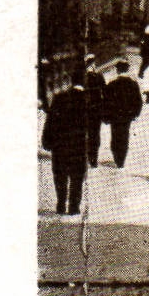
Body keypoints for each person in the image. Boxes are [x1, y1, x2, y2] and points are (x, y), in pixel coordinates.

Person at [41, 69, 91, 214]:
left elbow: (49, 122)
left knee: (60, 175)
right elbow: (92, 127)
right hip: (78, 147)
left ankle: (61, 203)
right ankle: (74, 207)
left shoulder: (59, 98)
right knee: (77, 177)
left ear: (72, 81)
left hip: (60, 145)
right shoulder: (87, 100)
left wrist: (47, 141)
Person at [102, 60, 143, 167]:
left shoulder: (111, 84)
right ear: (127, 69)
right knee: (124, 136)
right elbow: (138, 101)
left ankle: (117, 157)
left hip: (114, 116)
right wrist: (135, 114)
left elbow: (105, 101)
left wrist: (106, 116)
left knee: (115, 136)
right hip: (127, 116)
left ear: (117, 70)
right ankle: (121, 159)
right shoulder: (133, 84)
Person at [82, 55, 106, 167]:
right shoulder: (98, 76)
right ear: (93, 63)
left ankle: (86, 156)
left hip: (84, 109)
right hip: (96, 109)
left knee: (84, 132)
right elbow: (105, 92)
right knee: (95, 134)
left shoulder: (82, 78)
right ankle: (93, 159)